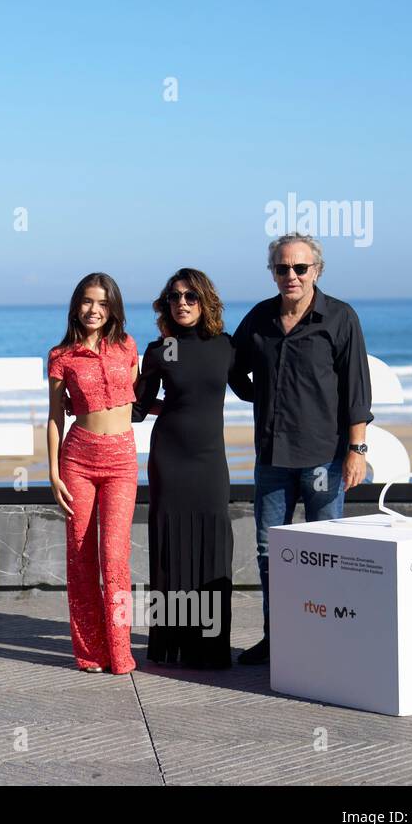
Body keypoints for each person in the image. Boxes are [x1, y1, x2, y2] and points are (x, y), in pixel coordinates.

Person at [232, 233, 373, 664]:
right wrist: (265, 397)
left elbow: (356, 390)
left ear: (317, 270)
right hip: (272, 458)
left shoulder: (340, 317)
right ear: (272, 272)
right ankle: (278, 639)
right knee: (270, 553)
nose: (290, 275)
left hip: (325, 460)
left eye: (300, 268)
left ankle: (325, 639)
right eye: (281, 268)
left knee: (325, 555)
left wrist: (357, 450)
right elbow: (233, 369)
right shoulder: (258, 318)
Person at [133, 268, 253, 669]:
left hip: (209, 463)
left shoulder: (225, 347)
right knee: (171, 550)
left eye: (190, 296)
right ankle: (172, 646)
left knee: (213, 545)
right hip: (169, 458)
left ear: (205, 302)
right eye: (174, 297)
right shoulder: (160, 349)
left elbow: (253, 391)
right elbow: (136, 408)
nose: (182, 303)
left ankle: (209, 647)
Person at [47, 272, 139, 675]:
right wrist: (52, 471)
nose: (94, 309)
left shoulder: (127, 346)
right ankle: (89, 653)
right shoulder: (61, 356)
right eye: (87, 301)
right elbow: (54, 418)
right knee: (80, 557)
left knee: (115, 558)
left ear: (113, 307)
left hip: (121, 459)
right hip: (78, 459)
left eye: (102, 303)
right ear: (76, 304)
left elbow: (136, 397)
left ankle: (120, 651)